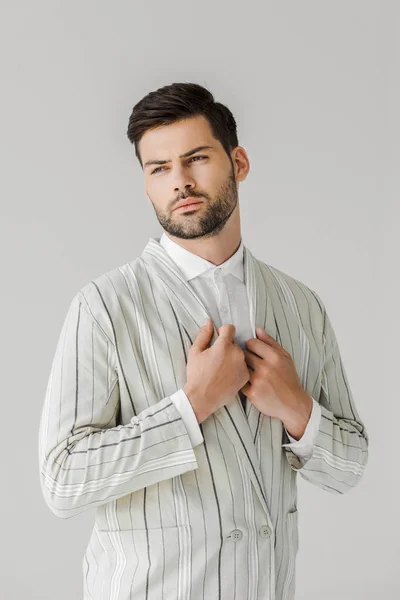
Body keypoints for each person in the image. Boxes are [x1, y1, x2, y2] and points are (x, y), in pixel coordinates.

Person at [38, 82, 369, 600]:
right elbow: (63, 482)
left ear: (238, 162)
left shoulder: (302, 306)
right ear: (146, 184)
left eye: (196, 159)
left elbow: (349, 468)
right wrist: (191, 407)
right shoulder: (104, 307)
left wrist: (299, 410)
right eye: (159, 168)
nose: (181, 183)